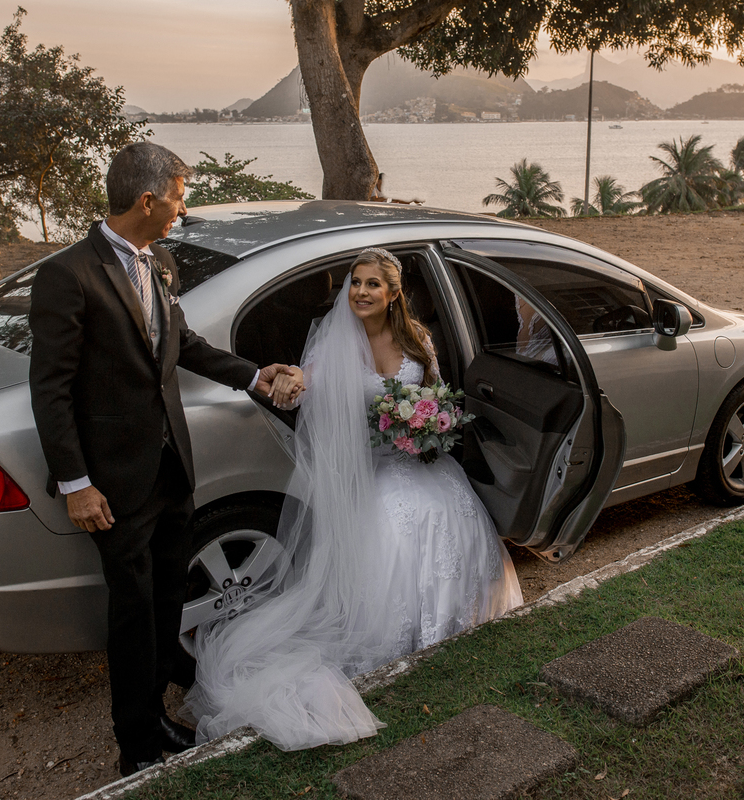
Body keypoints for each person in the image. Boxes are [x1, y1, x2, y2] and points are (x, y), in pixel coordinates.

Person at [185, 248, 522, 751]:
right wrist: (290, 380)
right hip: (377, 473)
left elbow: (434, 392)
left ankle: (453, 627)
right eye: (355, 282)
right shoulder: (334, 347)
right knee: (392, 531)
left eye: (372, 285)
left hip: (427, 466)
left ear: (393, 294)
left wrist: (430, 422)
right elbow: (306, 379)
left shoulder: (418, 339)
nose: (361, 292)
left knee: (446, 519)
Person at [28, 142, 294, 777]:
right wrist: (76, 483)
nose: (183, 206)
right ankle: (136, 743)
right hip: (113, 483)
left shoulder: (163, 261)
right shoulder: (67, 275)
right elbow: (51, 388)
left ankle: (158, 714)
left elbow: (183, 343)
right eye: (178, 195)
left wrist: (254, 375)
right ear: (147, 200)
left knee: (168, 598)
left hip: (173, 467)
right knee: (134, 610)